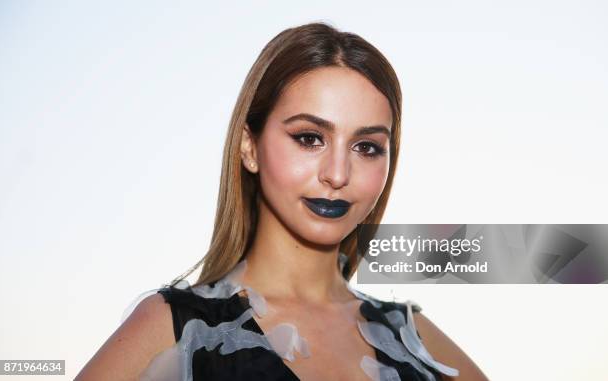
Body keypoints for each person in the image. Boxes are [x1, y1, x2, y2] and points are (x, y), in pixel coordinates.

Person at [76, 22, 489, 381]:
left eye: (366, 147)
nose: (337, 174)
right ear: (249, 146)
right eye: (309, 138)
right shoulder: (174, 327)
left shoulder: (416, 341)